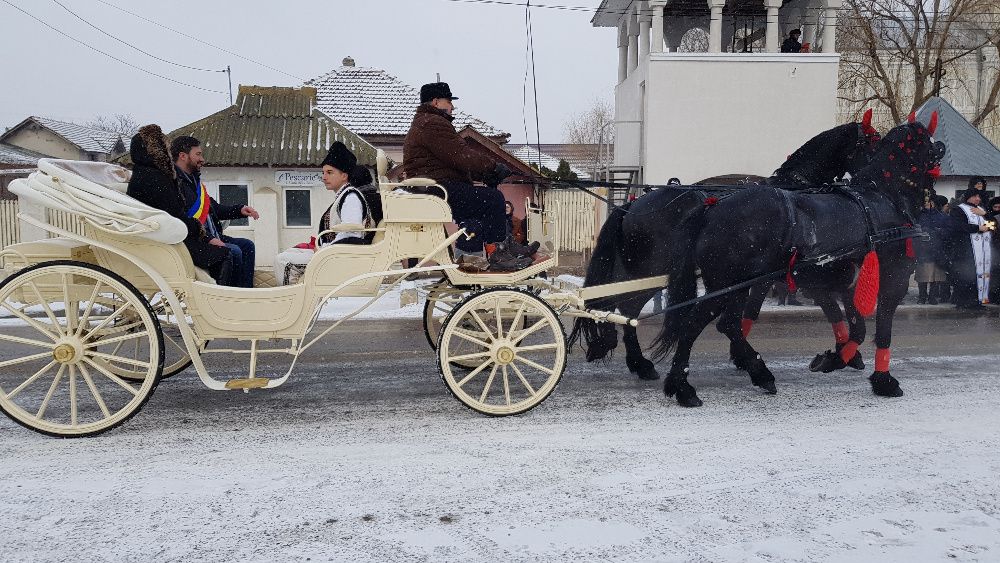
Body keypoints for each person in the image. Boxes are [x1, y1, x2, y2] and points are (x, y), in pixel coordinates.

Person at [404, 82, 537, 271]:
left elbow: (453, 161)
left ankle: (504, 246)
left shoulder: (426, 122)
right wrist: (492, 166)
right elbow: (460, 155)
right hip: (436, 190)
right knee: (493, 199)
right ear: (435, 102)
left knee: (488, 197)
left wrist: (485, 174)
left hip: (435, 187)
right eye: (449, 101)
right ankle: (498, 253)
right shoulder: (432, 123)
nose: (452, 106)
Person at [126, 125, 234, 285]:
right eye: (167, 149)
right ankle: (221, 299)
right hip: (166, 241)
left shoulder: (145, 174)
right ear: (157, 151)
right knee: (225, 254)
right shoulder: (156, 178)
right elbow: (175, 216)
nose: (170, 153)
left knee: (236, 249)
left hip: (165, 235)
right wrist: (199, 230)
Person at [274, 142, 374, 285]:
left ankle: (290, 300)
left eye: (329, 172)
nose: (324, 177)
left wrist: (324, 248)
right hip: (332, 252)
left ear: (344, 175)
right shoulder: (344, 195)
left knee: (282, 261)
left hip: (339, 257)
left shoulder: (351, 198)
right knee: (287, 253)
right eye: (323, 172)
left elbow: (352, 235)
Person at [171, 136, 259, 288]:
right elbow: (183, 221)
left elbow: (215, 209)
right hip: (195, 241)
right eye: (198, 154)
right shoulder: (175, 184)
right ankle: (232, 296)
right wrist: (209, 239)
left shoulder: (194, 182)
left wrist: (239, 210)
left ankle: (247, 293)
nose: (202, 159)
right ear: (183, 156)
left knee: (247, 246)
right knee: (234, 251)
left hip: (212, 237)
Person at [946, 187, 994, 308]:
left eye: (979, 196)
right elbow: (958, 226)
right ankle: (963, 302)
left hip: (982, 251)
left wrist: (985, 215)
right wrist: (977, 228)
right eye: (975, 196)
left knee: (979, 275)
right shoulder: (959, 209)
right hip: (965, 249)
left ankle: (978, 300)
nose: (978, 199)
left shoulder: (982, 210)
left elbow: (993, 226)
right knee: (966, 275)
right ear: (968, 197)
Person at [915, 194, 950, 304]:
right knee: (923, 276)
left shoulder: (942, 216)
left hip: (938, 249)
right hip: (923, 249)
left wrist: (938, 232)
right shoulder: (919, 215)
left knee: (936, 276)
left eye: (928, 202)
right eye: (924, 202)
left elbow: (948, 231)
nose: (926, 204)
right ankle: (922, 296)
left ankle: (932, 297)